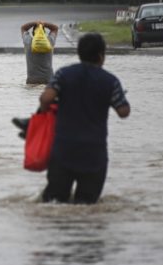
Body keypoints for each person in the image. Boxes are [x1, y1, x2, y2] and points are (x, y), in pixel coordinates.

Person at [37, 33, 130, 204]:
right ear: (101, 56)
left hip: (63, 150)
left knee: (53, 202)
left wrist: (45, 115)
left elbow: (46, 99)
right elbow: (123, 111)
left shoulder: (63, 74)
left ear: (79, 54)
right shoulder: (110, 81)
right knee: (87, 206)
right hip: (94, 154)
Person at [20, 20, 59, 85]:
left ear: (33, 33)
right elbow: (55, 28)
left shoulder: (28, 42)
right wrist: (44, 23)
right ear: (44, 32)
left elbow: (23, 28)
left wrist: (35, 22)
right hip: (48, 80)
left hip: (32, 80)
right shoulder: (50, 42)